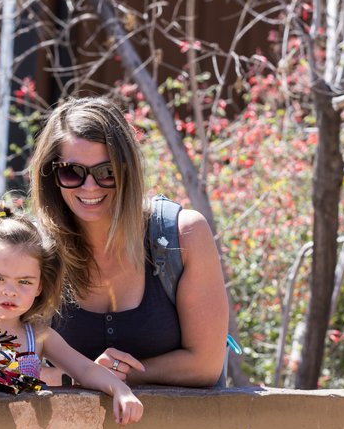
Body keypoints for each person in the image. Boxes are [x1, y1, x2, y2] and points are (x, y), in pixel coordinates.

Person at [29, 97, 228, 388]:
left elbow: (206, 364)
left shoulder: (183, 236)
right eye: (72, 172)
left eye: (106, 172)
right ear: (52, 176)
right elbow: (4, 360)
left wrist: (117, 375)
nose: (90, 187)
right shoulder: (35, 251)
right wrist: (81, 375)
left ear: (128, 171)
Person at [0, 201, 144, 425]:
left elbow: (85, 369)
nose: (10, 291)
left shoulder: (38, 336)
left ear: (39, 287)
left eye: (24, 281)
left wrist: (121, 391)